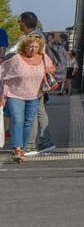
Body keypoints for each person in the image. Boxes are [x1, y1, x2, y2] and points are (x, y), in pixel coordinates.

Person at [2, 35, 52, 163]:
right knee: (18, 120)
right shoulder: (16, 59)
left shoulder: (43, 58)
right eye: (30, 46)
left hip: (35, 95)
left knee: (28, 122)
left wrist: (49, 69)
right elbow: (3, 72)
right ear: (24, 47)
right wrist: (2, 94)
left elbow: (52, 67)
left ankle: (23, 148)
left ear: (39, 48)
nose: (33, 49)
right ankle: (17, 148)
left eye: (36, 47)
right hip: (15, 94)